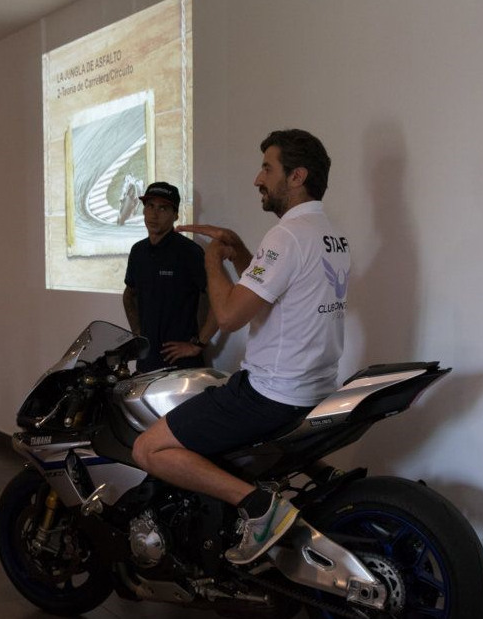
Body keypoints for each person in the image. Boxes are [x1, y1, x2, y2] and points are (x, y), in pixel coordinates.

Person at [132, 129, 351, 564]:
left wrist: (211, 259)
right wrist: (240, 253)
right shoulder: (331, 235)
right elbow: (272, 293)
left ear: (297, 176)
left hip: (270, 393)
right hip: (313, 388)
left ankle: (260, 508)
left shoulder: (287, 236)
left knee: (148, 449)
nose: (257, 179)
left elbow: (231, 316)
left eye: (267, 168)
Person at [123, 182, 217, 373]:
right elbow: (129, 295)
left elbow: (218, 301)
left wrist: (198, 344)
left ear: (175, 215)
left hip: (181, 364)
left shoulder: (189, 252)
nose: (154, 214)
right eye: (150, 206)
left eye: (163, 208)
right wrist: (137, 332)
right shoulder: (138, 251)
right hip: (147, 361)